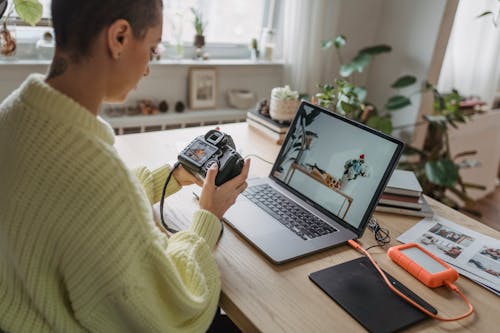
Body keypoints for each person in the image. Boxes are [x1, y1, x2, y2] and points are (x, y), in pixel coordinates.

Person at [0, 0, 250, 332]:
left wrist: (172, 177)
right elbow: (172, 311)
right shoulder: (96, 178)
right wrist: (207, 218)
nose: (148, 67)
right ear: (119, 37)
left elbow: (71, 201)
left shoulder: (13, 115)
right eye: (151, 48)